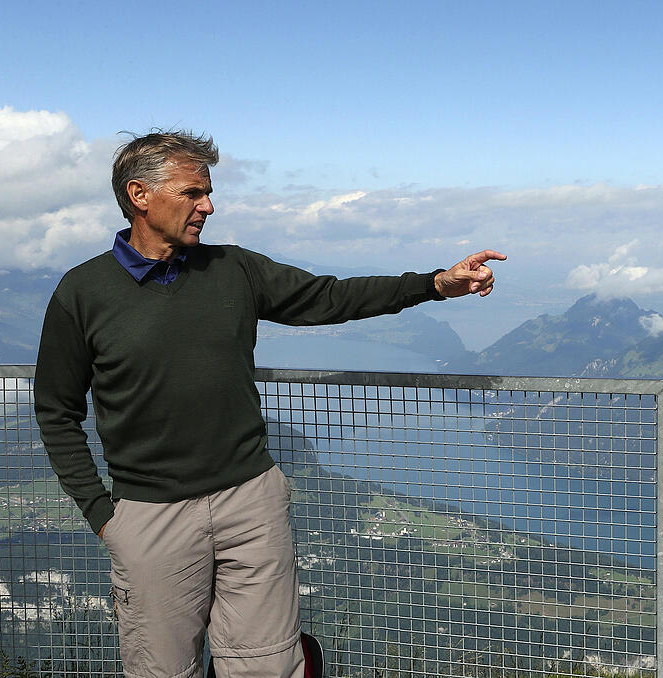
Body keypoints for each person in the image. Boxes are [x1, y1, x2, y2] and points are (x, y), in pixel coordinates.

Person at [33, 130, 505, 678]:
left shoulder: (233, 269)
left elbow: (329, 297)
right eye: (193, 193)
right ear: (140, 195)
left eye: (207, 192)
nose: (208, 205)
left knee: (268, 668)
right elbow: (55, 410)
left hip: (251, 503)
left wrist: (434, 284)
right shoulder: (83, 291)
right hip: (150, 516)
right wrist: (103, 514)